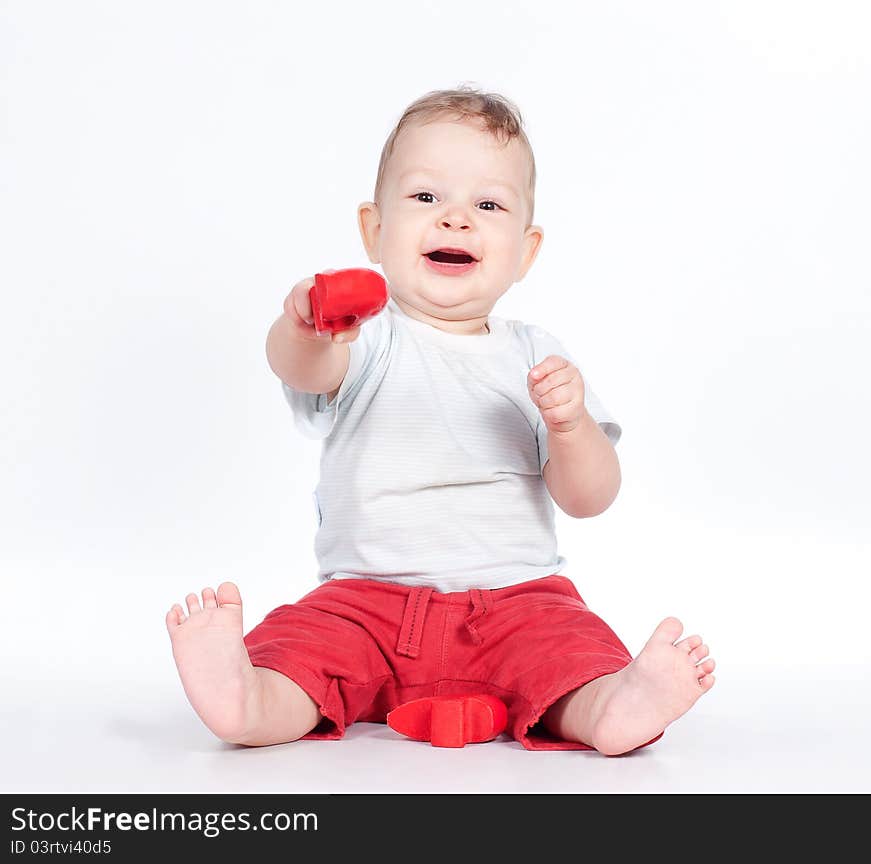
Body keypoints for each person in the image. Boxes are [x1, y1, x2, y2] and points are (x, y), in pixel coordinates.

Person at [165, 86, 715, 755]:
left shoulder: (536, 356)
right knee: (303, 644)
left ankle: (612, 706)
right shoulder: (366, 337)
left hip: (516, 602)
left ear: (525, 250)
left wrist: (571, 429)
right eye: (426, 198)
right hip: (365, 601)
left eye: (487, 205)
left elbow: (590, 498)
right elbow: (302, 367)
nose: (454, 220)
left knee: (569, 648)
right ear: (375, 231)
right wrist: (305, 322)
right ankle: (249, 701)